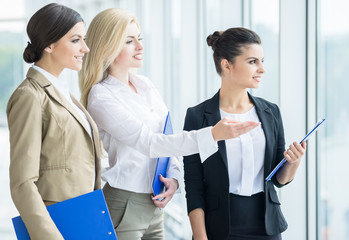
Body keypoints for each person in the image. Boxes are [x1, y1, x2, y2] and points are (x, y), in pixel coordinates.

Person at [79, 9, 260, 240]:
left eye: (140, 39)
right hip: (124, 204)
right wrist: (213, 134)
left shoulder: (145, 85)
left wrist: (173, 177)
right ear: (108, 47)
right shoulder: (101, 97)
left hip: (155, 205)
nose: (140, 46)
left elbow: (167, 134)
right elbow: (149, 143)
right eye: (129, 41)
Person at [183, 27, 307, 240]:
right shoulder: (198, 116)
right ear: (227, 65)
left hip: (266, 225)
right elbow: (193, 186)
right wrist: (200, 237)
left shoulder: (271, 112)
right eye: (252, 62)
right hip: (219, 228)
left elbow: (278, 179)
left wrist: (293, 162)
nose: (262, 69)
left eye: (262, 61)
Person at [6, 3, 101, 240]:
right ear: (49, 44)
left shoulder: (63, 92)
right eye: (76, 40)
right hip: (57, 226)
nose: (86, 48)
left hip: (83, 219)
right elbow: (22, 183)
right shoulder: (29, 96)